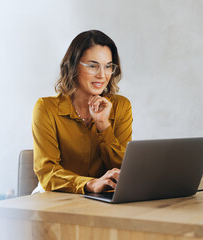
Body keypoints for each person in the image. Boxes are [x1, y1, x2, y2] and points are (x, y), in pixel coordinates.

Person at [32, 30, 133, 194]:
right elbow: (47, 172)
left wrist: (103, 125)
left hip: (105, 198)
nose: (102, 75)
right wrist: (90, 184)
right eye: (93, 66)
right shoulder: (46, 108)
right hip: (56, 195)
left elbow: (124, 170)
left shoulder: (121, 106)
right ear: (72, 65)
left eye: (108, 66)